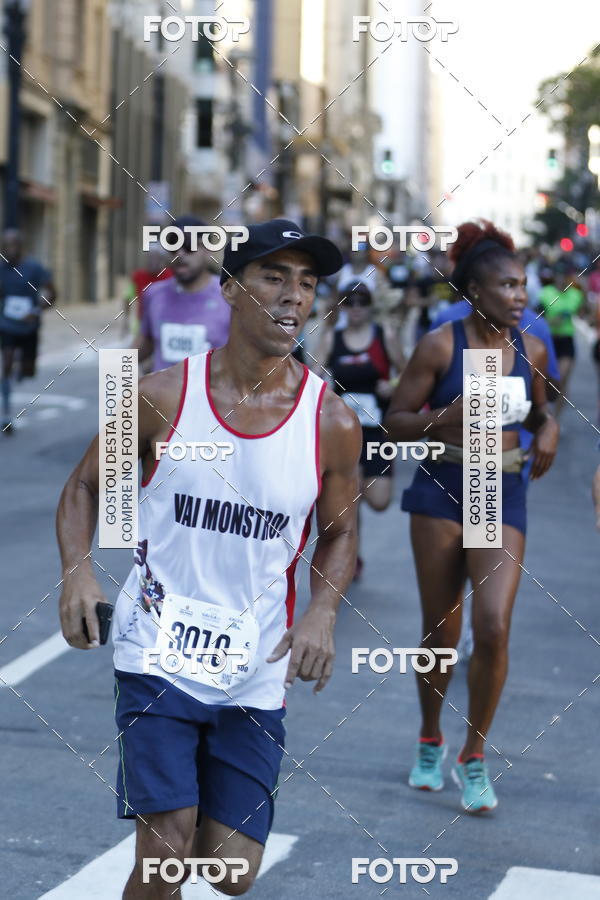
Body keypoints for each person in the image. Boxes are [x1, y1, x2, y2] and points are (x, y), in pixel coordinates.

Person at [57, 218, 362, 898]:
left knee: (230, 873)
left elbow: (340, 534)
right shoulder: (164, 396)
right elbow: (83, 486)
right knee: (166, 848)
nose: (293, 297)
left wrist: (321, 612)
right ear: (230, 289)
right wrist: (78, 571)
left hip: (253, 669)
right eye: (274, 277)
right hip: (155, 647)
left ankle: (185, 793)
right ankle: (171, 800)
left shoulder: (330, 421)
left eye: (307, 284)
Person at [384, 220, 559, 813]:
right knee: (442, 630)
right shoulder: (440, 345)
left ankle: (474, 754)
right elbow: (394, 420)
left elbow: (537, 413)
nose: (520, 297)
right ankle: (431, 735)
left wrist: (550, 427)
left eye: (523, 286)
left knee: (493, 625)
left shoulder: (529, 348)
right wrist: (441, 418)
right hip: (442, 486)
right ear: (475, 291)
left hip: (498, 487)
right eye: (507, 286)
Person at [316, 280, 403, 579]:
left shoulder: (384, 336)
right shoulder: (332, 338)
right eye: (349, 302)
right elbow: (312, 378)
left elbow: (406, 376)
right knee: (348, 498)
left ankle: (356, 495)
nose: (355, 308)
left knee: (378, 500)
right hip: (342, 433)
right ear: (342, 307)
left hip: (376, 431)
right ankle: (352, 557)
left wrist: (390, 386)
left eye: (361, 302)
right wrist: (325, 386)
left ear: (370, 305)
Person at [133, 215, 231, 372]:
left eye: (188, 246)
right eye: (172, 245)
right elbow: (145, 343)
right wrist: (114, 379)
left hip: (210, 395)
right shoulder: (154, 293)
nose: (179, 254)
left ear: (207, 250)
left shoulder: (230, 296)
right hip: (162, 395)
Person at [0, 229, 55, 433]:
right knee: (5, 363)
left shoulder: (34, 268)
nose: (8, 250)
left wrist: (37, 310)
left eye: (12, 245)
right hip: (6, 324)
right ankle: (6, 414)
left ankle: (20, 369)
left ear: (21, 246)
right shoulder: (2, 268)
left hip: (29, 325)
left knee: (28, 370)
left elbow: (52, 293)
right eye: (5, 246)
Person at [538, 265, 585, 414]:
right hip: (548, 341)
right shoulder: (546, 293)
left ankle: (555, 419)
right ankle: (546, 413)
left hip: (566, 341)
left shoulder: (575, 295)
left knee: (561, 379)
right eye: (560, 280)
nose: (564, 283)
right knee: (548, 381)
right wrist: (549, 322)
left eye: (567, 280)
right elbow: (535, 316)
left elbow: (584, 313)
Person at [122, 247, 172, 337]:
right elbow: (127, 298)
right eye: (149, 258)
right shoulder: (138, 276)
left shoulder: (170, 276)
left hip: (164, 325)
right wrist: (126, 322)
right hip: (141, 325)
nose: (151, 261)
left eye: (154, 258)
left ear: (161, 259)